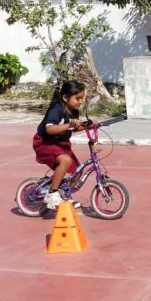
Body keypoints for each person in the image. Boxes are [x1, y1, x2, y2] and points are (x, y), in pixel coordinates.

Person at [33, 79, 89, 210]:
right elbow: (49, 129)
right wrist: (69, 124)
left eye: (82, 98)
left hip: (61, 144)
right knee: (65, 160)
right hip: (45, 143)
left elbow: (73, 128)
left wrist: (89, 126)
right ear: (65, 97)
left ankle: (64, 195)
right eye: (77, 98)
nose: (80, 101)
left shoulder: (73, 110)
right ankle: (52, 194)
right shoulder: (56, 109)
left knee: (78, 171)